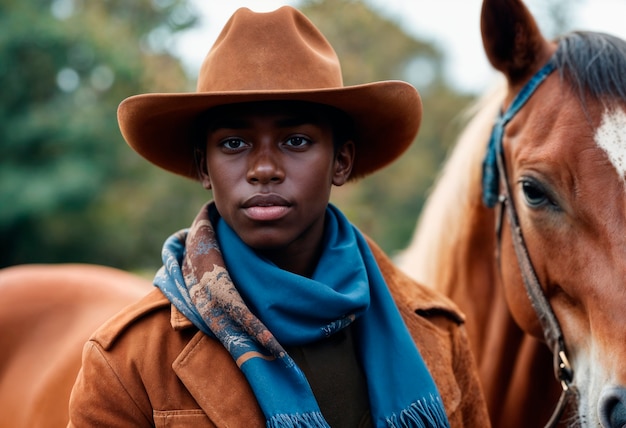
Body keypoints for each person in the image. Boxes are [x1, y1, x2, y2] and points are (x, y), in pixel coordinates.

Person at [67, 6, 489, 428]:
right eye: (233, 143)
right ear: (203, 167)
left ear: (340, 161)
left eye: (296, 140)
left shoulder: (437, 332)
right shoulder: (129, 360)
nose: (263, 168)